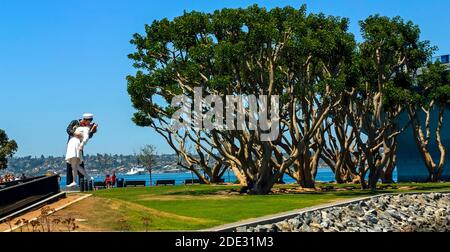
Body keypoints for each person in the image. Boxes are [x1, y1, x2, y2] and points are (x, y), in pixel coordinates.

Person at [65, 113, 97, 186]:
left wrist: (92, 131)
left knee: (79, 164)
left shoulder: (87, 127)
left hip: (78, 146)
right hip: (71, 146)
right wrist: (75, 134)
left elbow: (88, 137)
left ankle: (82, 183)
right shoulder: (74, 122)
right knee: (71, 165)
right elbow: (68, 130)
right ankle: (71, 182)